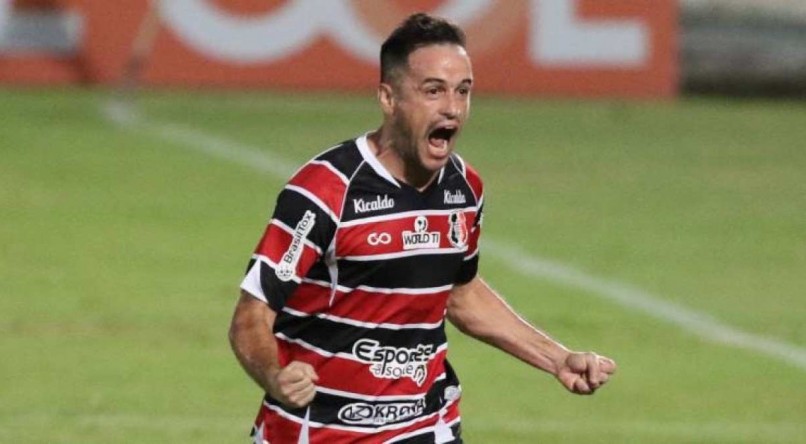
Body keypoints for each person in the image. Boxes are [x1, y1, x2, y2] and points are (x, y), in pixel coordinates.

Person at [229, 12, 616, 444]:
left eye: (462, 91)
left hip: (423, 423)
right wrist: (275, 375)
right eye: (433, 91)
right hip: (319, 430)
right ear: (388, 98)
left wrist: (557, 359)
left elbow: (460, 293)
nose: (452, 107)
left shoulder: (464, 189)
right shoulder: (325, 191)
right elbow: (251, 315)